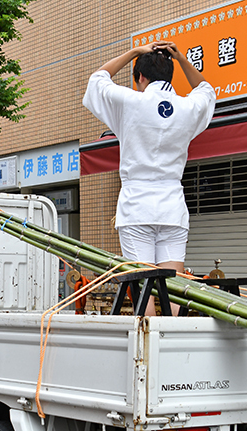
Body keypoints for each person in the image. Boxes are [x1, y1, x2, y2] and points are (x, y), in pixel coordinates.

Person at [82, 41, 216, 315]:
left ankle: (149, 340)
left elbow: (97, 80)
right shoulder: (187, 107)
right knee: (174, 287)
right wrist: (180, 57)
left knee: (144, 289)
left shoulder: (130, 102)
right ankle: (175, 337)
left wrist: (134, 52)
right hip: (172, 206)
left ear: (140, 77)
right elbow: (206, 89)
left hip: (137, 206)